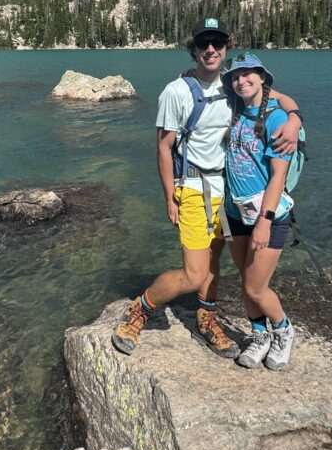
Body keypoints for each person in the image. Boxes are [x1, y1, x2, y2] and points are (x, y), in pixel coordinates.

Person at [112, 19, 302, 357]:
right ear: (194, 49)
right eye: (203, 44)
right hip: (194, 188)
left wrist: (294, 118)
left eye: (217, 43)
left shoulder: (232, 86)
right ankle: (139, 310)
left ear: (225, 47)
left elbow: (272, 93)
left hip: (227, 193)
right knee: (193, 273)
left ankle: (207, 318)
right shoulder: (177, 91)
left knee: (215, 263)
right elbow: (163, 147)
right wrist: (169, 195)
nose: (210, 49)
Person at [221, 53, 296, 370]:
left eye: (249, 74)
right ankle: (259, 333)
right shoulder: (235, 110)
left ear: (263, 77)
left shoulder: (277, 119)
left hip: (267, 216)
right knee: (245, 278)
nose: (241, 81)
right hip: (234, 213)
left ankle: (283, 330)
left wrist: (264, 222)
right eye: (236, 77)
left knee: (255, 286)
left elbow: (278, 176)